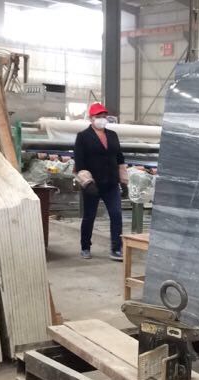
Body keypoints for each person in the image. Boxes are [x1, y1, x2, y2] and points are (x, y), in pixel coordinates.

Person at [74, 102, 127, 261]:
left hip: (111, 183)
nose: (102, 119)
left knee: (116, 215)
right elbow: (79, 163)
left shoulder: (113, 135)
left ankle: (116, 248)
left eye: (104, 116)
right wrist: (87, 182)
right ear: (91, 118)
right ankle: (85, 247)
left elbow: (119, 158)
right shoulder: (83, 136)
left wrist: (123, 180)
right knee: (89, 216)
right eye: (99, 116)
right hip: (93, 184)